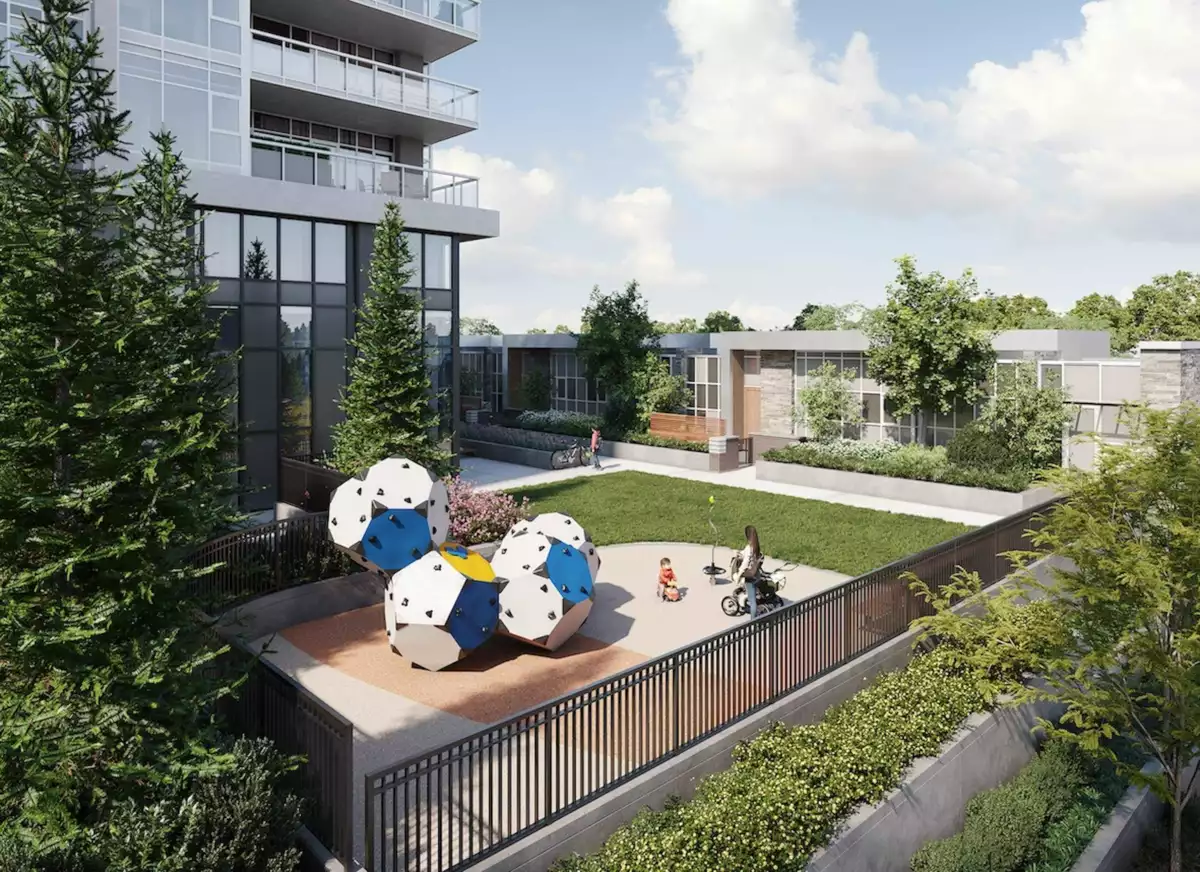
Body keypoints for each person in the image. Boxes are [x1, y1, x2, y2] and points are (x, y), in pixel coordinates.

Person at [737, 525, 763, 619]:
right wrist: (740, 553)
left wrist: (739, 573)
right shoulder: (756, 546)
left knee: (752, 600)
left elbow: (745, 562)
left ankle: (753, 619)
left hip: (750, 577)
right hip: (756, 574)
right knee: (754, 595)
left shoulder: (749, 547)